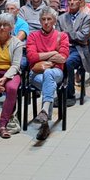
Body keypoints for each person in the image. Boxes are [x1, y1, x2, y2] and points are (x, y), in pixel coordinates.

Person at [26, 7, 69, 142]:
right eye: (43, 19)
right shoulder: (33, 36)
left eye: (49, 19)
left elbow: (62, 58)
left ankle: (44, 111)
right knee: (48, 83)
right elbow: (31, 57)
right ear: (39, 21)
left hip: (56, 72)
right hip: (36, 74)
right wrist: (52, 54)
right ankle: (45, 123)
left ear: (54, 20)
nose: (46, 22)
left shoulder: (62, 36)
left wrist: (42, 58)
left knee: (49, 74)